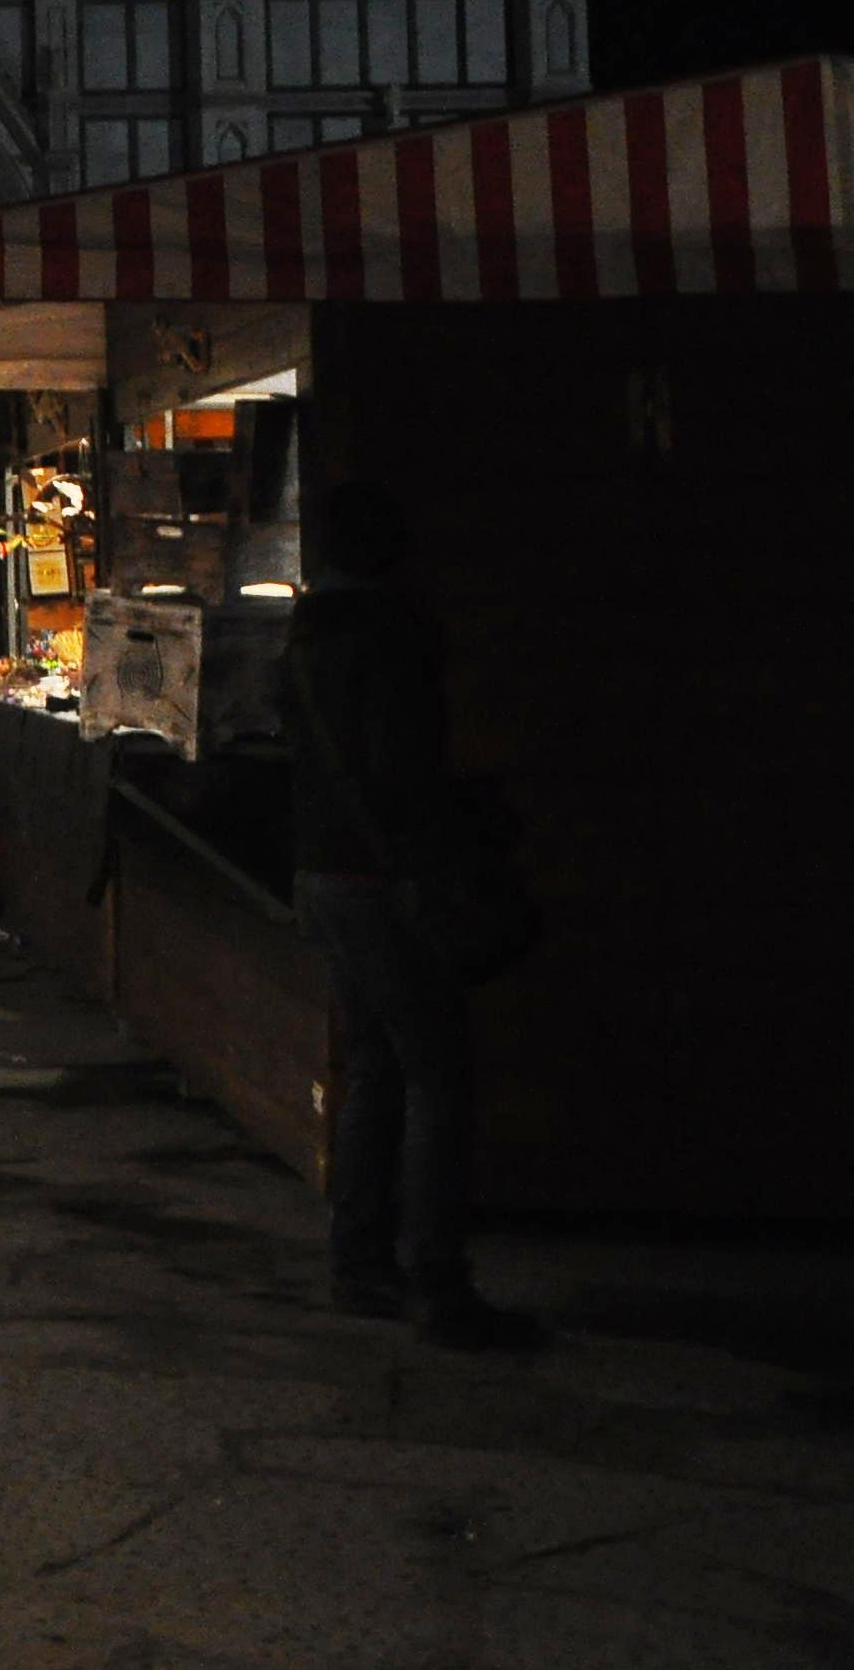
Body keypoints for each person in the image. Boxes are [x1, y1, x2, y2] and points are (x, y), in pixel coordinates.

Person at [283, 482, 540, 1351]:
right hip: (384, 875)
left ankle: (359, 1264)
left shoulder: (307, 636)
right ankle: (437, 1277)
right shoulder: (391, 640)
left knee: (373, 1069)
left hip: (324, 869)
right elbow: (403, 769)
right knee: (436, 1074)